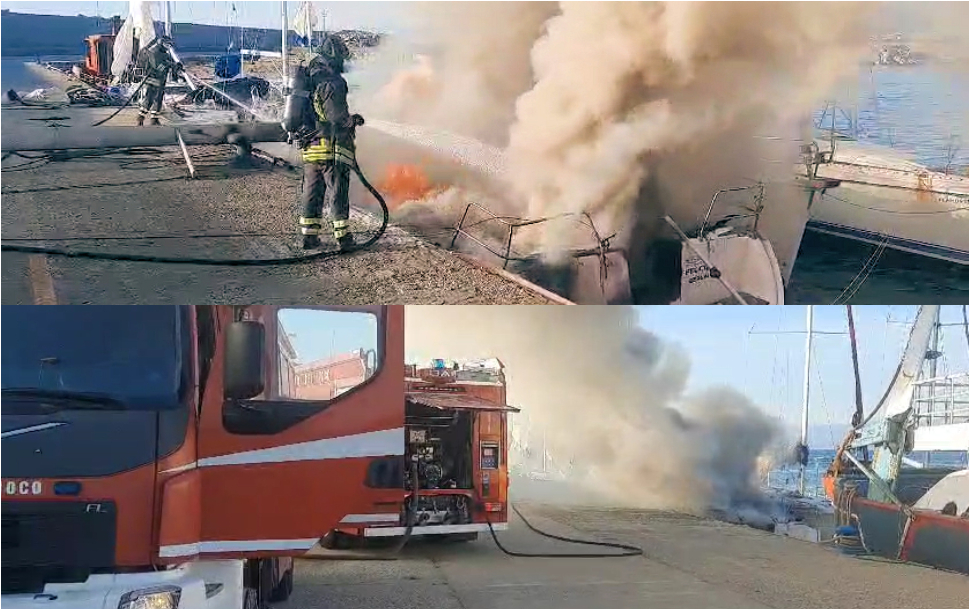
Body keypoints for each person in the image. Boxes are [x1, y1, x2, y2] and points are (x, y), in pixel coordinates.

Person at [296, 34, 365, 251]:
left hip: (310, 146)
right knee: (338, 192)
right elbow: (336, 117)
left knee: (312, 192)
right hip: (331, 147)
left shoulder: (310, 78)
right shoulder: (333, 82)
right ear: (335, 57)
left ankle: (309, 237)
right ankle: (343, 239)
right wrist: (353, 120)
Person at [135, 36, 183, 126]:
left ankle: (153, 118)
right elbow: (159, 66)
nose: (168, 47)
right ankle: (141, 118)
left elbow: (168, 62)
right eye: (166, 44)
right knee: (150, 98)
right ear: (161, 43)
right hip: (153, 79)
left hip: (159, 80)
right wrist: (172, 66)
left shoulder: (163, 53)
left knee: (157, 99)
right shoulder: (154, 52)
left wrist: (176, 66)